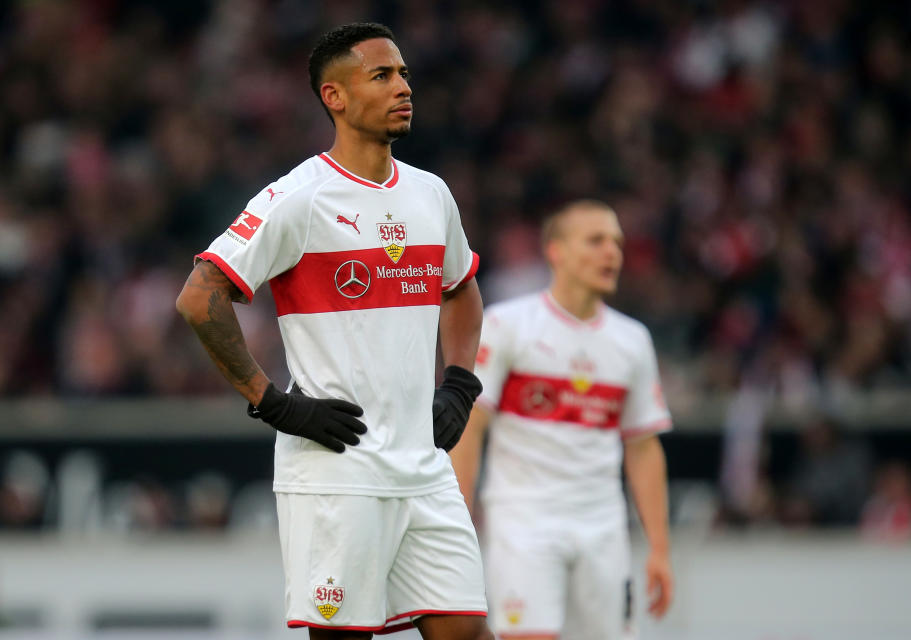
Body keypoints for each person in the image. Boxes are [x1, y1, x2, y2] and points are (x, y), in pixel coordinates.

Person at [176, 23, 493, 640]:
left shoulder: (432, 195)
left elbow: (461, 288)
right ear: (335, 97)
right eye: (382, 75)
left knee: (469, 633)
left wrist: (459, 383)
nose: (403, 87)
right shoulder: (299, 198)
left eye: (403, 73)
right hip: (338, 469)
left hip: (424, 467)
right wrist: (273, 404)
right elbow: (199, 297)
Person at [451, 200, 674, 640]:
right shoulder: (508, 325)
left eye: (617, 243)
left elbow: (644, 447)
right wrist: (456, 523)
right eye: (596, 241)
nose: (612, 252)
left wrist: (660, 550)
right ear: (556, 251)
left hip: (604, 527)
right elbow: (470, 427)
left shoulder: (632, 341)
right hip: (524, 521)